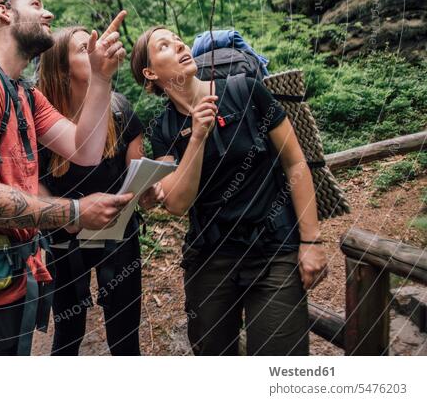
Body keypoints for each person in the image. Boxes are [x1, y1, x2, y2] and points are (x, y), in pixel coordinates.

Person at [0, 0, 132, 355]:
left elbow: (84, 150)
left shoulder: (22, 91)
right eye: (37, 4)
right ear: (4, 12)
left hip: (14, 275)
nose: (49, 12)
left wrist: (102, 75)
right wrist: (74, 211)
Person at [131, 26, 328, 356]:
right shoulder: (164, 128)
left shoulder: (245, 92)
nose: (179, 44)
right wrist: (196, 137)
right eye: (164, 45)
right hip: (210, 258)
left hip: (273, 248)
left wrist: (311, 241)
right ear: (150, 73)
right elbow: (178, 203)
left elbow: (295, 163)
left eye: (177, 39)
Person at [37, 26, 145, 355]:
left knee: (126, 337)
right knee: (68, 333)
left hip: (119, 235)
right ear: (61, 67)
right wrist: (69, 215)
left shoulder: (120, 109)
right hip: (65, 239)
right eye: (84, 49)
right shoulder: (41, 118)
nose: (95, 51)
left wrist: (148, 191)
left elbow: (137, 173)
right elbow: (32, 185)